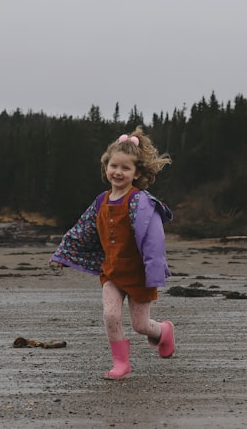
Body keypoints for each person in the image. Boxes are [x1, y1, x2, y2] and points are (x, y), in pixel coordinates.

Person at [50, 126, 175, 379]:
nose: (118, 172)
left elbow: (154, 240)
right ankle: (121, 363)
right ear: (106, 166)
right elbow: (82, 229)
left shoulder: (141, 202)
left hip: (139, 274)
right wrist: (63, 253)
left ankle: (163, 331)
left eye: (125, 168)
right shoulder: (100, 201)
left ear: (137, 173)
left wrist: (155, 269)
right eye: (114, 166)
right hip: (112, 271)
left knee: (141, 326)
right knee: (110, 314)